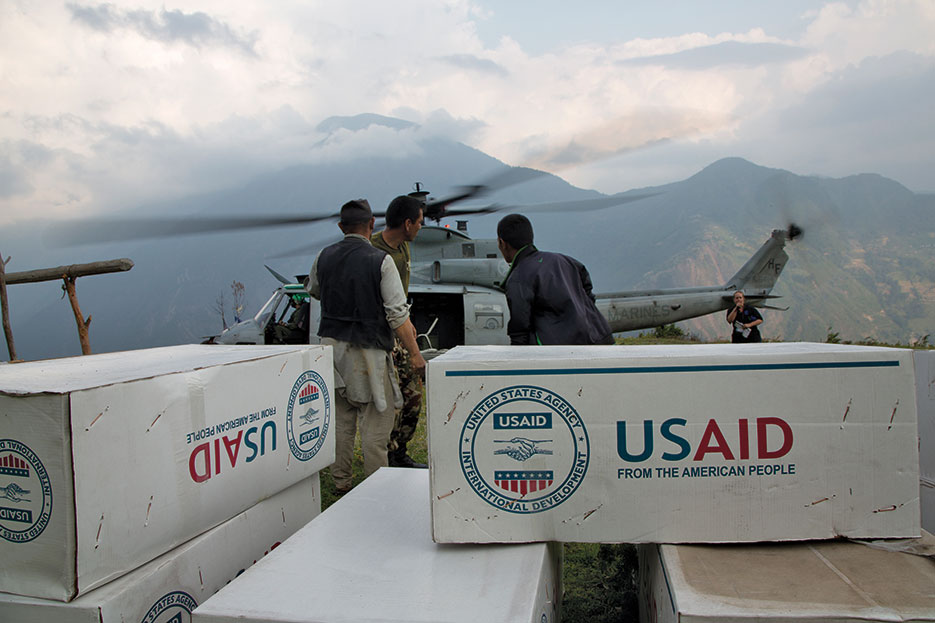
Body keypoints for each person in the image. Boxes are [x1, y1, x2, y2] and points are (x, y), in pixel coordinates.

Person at [306, 199, 427, 494]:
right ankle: (375, 486)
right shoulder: (381, 261)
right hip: (370, 350)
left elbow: (314, 290)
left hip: (332, 349)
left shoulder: (323, 256)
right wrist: (414, 353)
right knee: (377, 421)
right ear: (372, 224)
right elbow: (397, 314)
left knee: (341, 419)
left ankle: (341, 482)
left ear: (340, 227)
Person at [497, 213, 614, 345]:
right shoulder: (565, 260)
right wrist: (582, 312)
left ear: (502, 243)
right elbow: (587, 289)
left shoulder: (518, 277)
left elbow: (520, 327)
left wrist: (518, 358)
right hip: (600, 339)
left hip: (560, 351)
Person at [370, 195, 426, 468]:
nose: (420, 228)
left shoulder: (404, 246)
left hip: (401, 330)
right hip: (379, 338)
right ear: (407, 224)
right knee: (390, 402)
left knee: (412, 397)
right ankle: (386, 455)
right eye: (418, 223)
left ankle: (399, 452)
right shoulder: (373, 253)